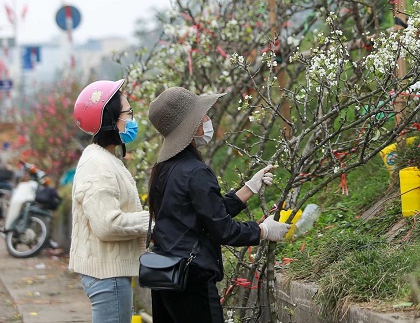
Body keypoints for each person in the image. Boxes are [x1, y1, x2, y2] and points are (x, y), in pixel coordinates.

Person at [147, 86, 291, 323]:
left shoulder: (165, 169)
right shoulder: (195, 171)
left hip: (164, 275)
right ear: (192, 126)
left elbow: (201, 213)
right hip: (191, 279)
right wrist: (263, 230)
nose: (207, 119)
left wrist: (248, 189)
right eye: (201, 116)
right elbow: (222, 229)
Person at [70, 79, 149, 323]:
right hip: (108, 275)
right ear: (109, 120)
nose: (132, 120)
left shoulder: (106, 159)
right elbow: (107, 224)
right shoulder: (98, 165)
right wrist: (155, 219)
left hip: (111, 272)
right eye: (127, 113)